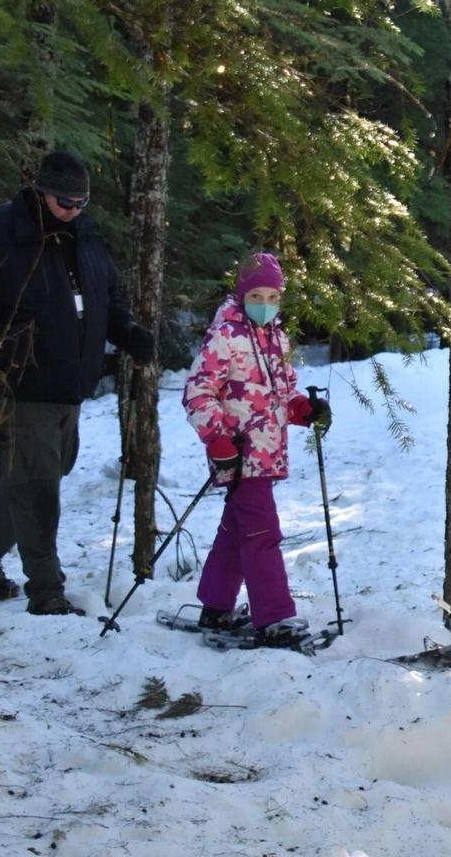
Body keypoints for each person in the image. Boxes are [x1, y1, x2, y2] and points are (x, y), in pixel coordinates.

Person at [0, 150, 155, 615]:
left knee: (47, 468)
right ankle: (46, 588)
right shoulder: (3, 229)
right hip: (20, 377)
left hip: (70, 377)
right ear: (42, 192)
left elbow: (107, 293)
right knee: (37, 481)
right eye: (64, 202)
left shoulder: (85, 233)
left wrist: (127, 332)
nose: (72, 210)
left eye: (81, 202)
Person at [183, 253, 330, 646]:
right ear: (242, 295)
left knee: (237, 530)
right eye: (257, 296)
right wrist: (216, 438)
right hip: (237, 452)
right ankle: (274, 617)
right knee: (263, 532)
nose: (265, 304)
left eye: (273, 297)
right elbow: (198, 392)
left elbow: (283, 393)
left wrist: (303, 409)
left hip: (267, 452)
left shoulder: (277, 339)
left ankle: (216, 606)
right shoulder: (225, 336)